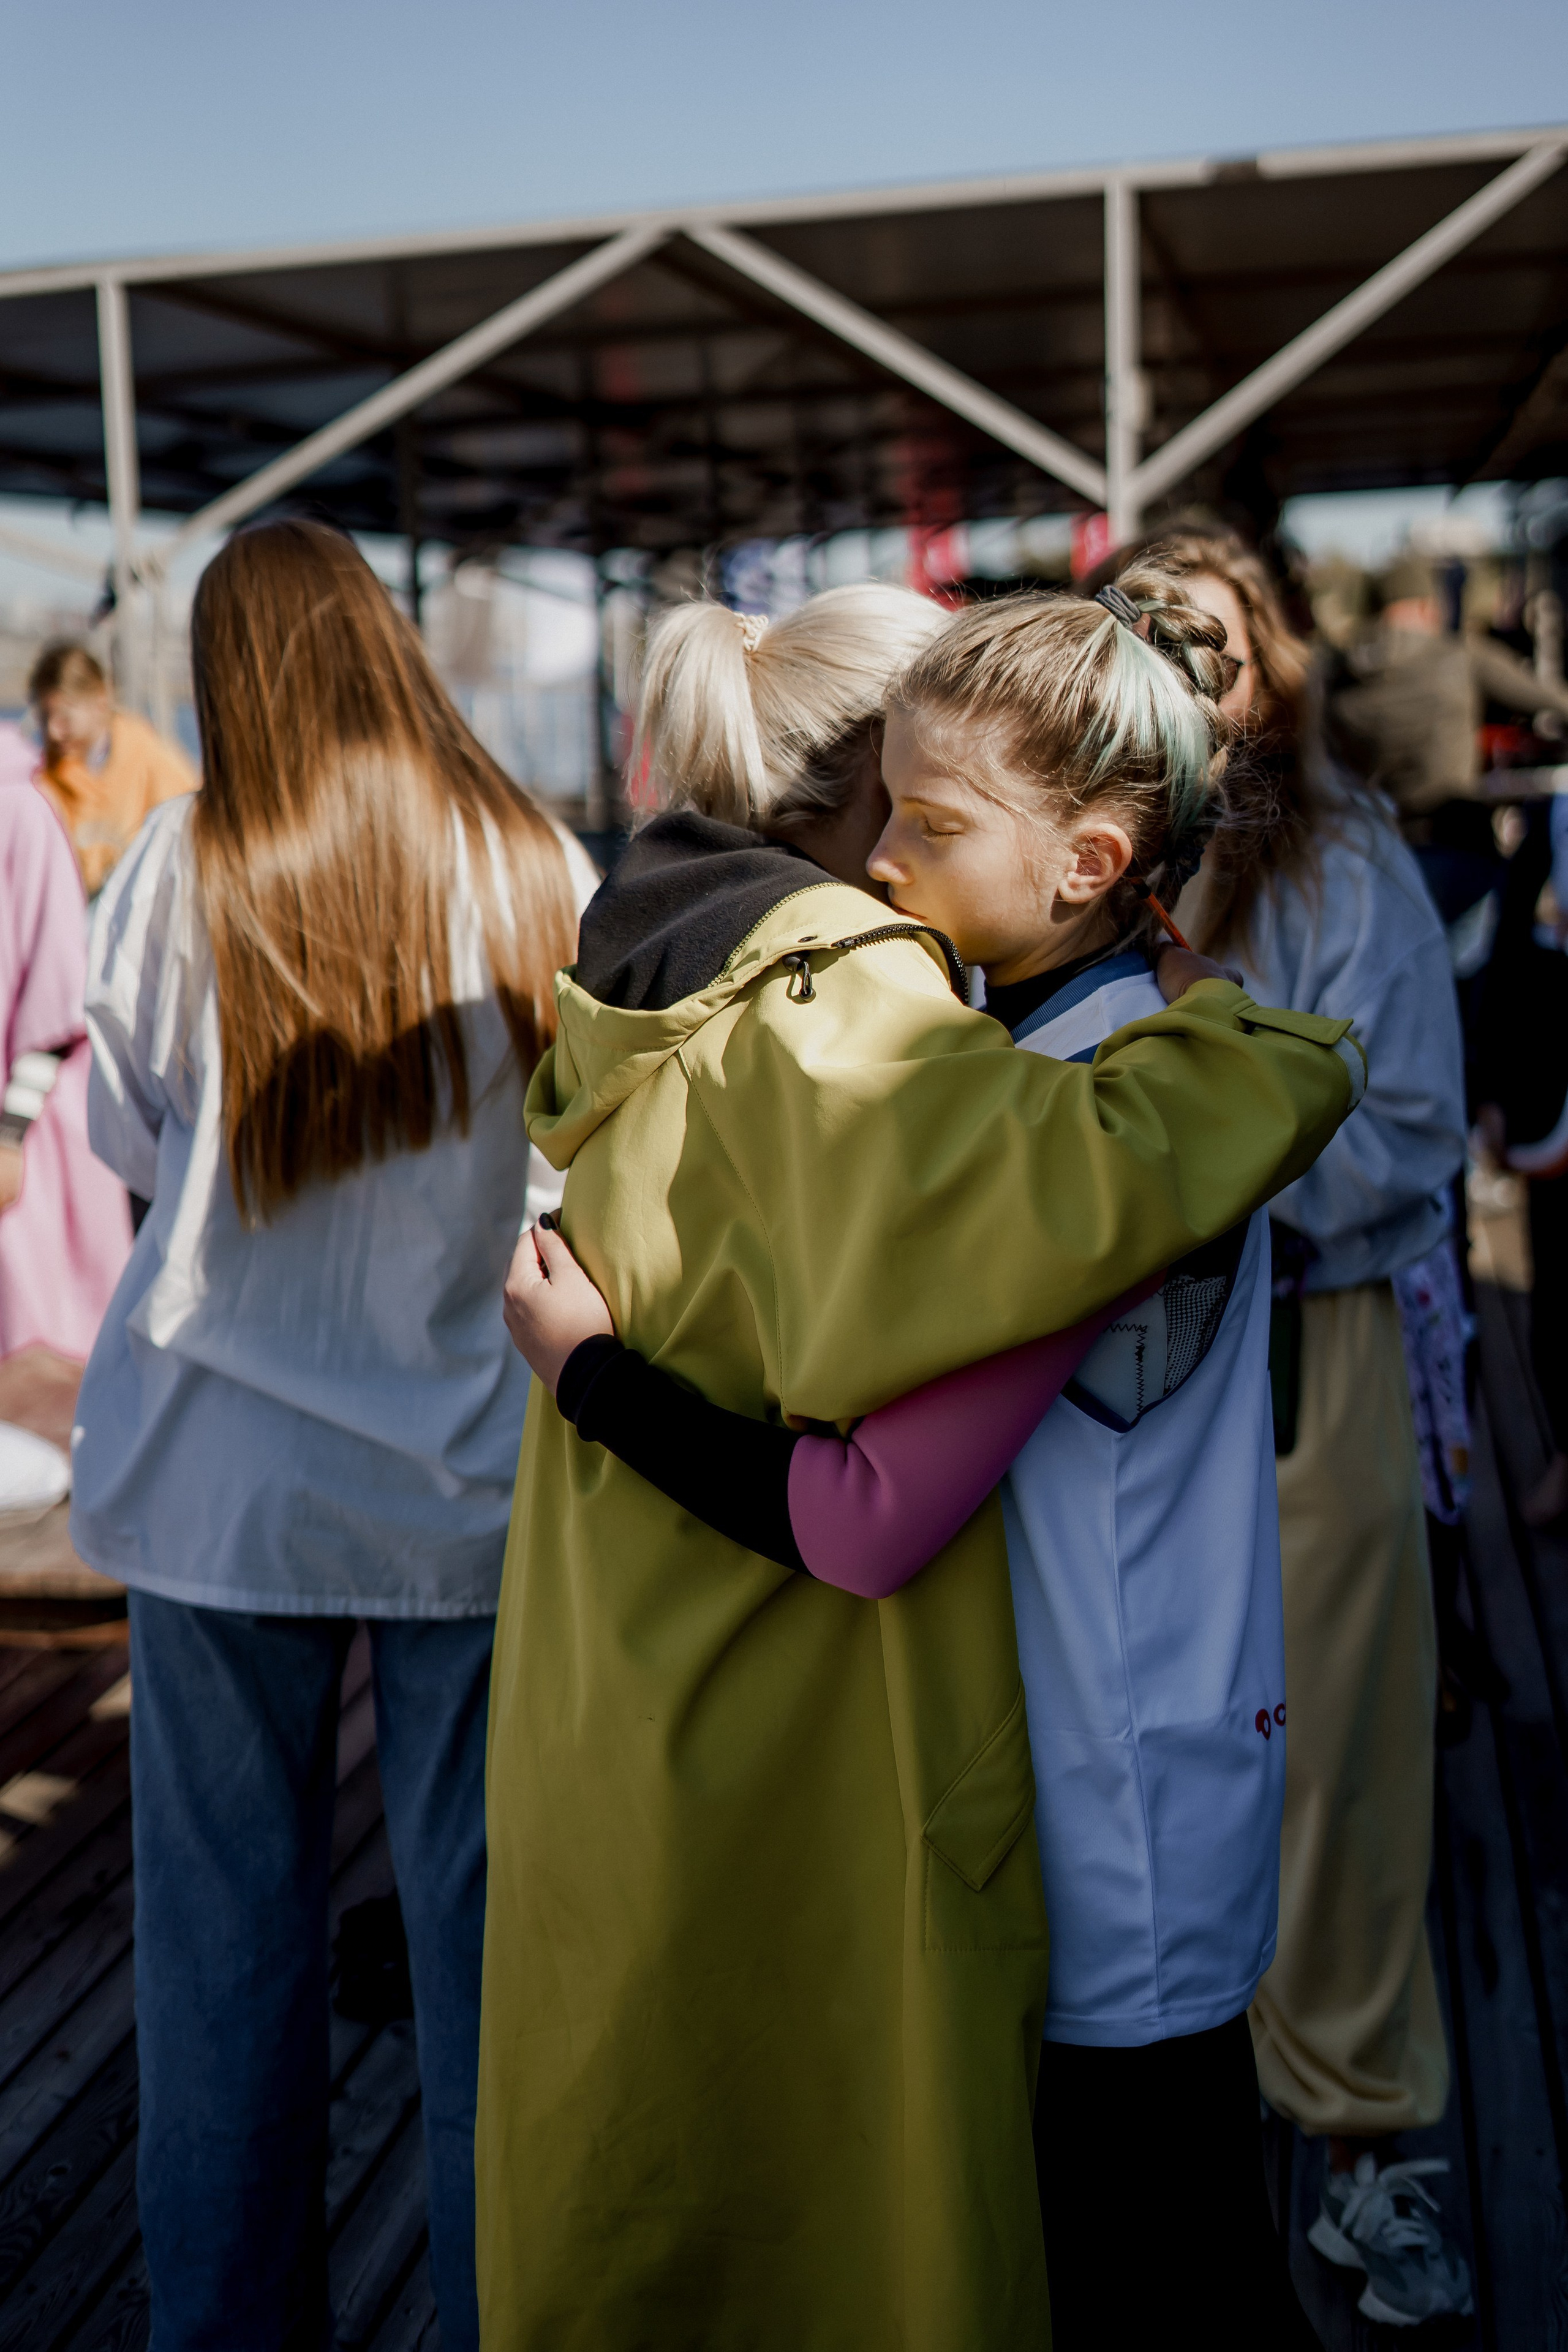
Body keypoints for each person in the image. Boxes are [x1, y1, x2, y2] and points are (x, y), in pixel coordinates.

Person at [475, 582, 1361, 2351]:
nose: (882, 864)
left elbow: (865, 1520)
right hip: (1110, 1801)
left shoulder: (1054, 1112)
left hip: (1107, 1851)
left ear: (1090, 860)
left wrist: (594, 1380)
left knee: (1156, 2269)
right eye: (883, 808)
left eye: (931, 824)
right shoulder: (1049, 1074)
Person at [69, 520, 589, 2352]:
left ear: (228, 676)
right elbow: (571, 1166)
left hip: (222, 1475)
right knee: (490, 1957)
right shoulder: (535, 858)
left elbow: (130, 1143)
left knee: (223, 1955)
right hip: (474, 1470)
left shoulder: (183, 860)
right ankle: (509, 2309)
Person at [1104, 527, 1472, 2328]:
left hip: (1304, 1350)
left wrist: (1214, 1174)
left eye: (1217, 647)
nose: (1188, 680)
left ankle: (1360, 2127)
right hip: (1102, 1377)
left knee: (1337, 1746)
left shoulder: (1344, 860)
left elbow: (1412, 1128)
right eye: (1148, 640)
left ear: (1275, 673)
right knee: (1132, 1731)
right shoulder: (1076, 855)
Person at [0, 768, 132, 1363]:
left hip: (27, 1139)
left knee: (40, 1357)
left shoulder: (21, 810)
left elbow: (57, 993)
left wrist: (11, 1132)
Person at [29, 640, 195, 896]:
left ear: (100, 702)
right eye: (44, 717)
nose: (53, 731)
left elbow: (191, 837)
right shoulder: (43, 781)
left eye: (64, 717)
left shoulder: (153, 761)